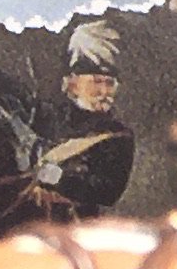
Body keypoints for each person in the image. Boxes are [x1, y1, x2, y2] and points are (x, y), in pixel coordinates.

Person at [28, 19, 135, 220]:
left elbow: (108, 192)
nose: (104, 91)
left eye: (109, 83)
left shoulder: (117, 135)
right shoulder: (47, 117)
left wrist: (59, 177)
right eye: (96, 82)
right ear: (73, 83)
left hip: (79, 227)